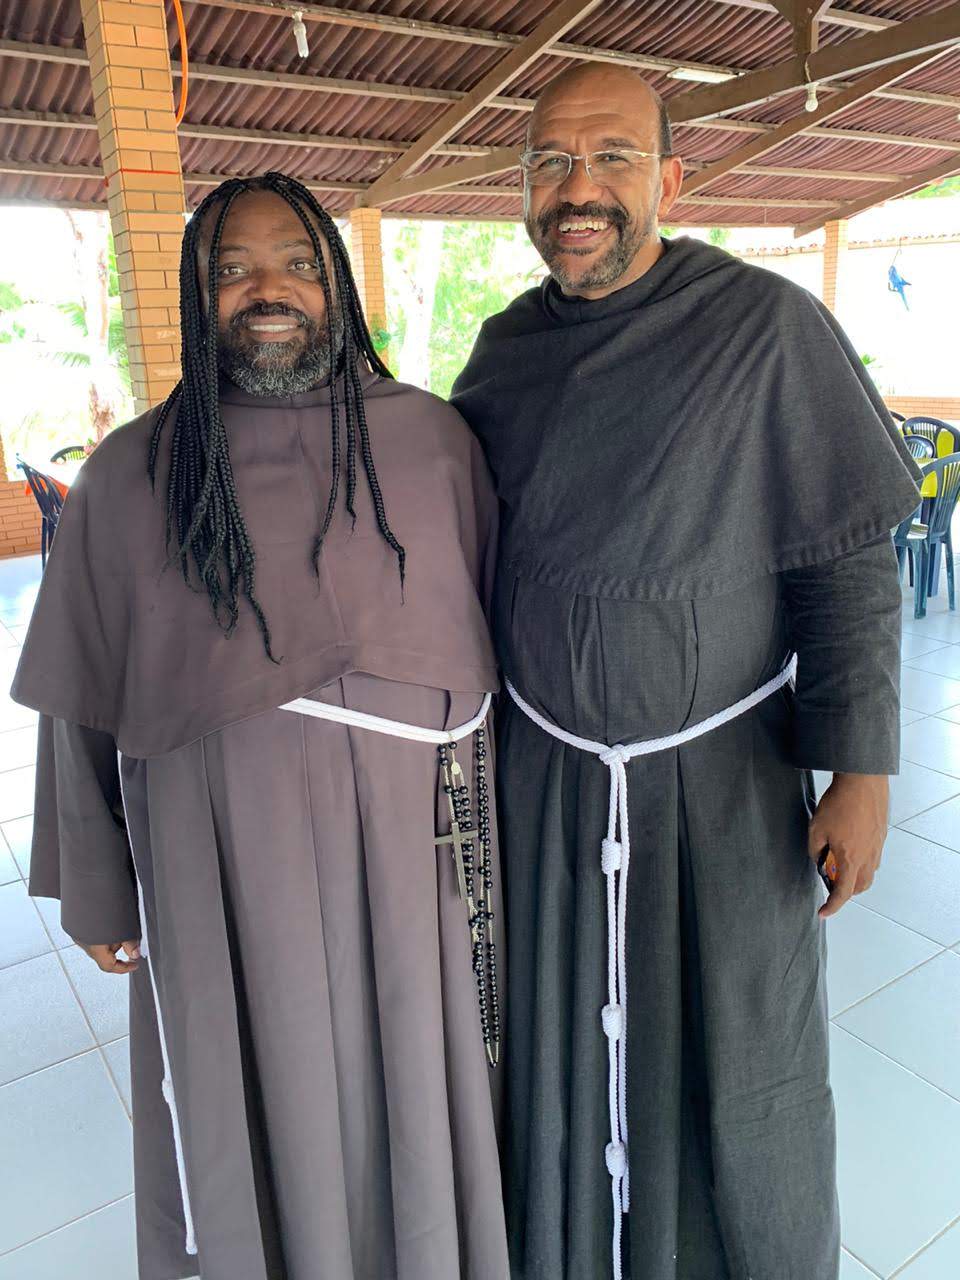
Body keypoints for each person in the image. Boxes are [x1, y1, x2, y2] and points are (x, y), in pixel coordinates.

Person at [451, 65, 921, 1280]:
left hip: (725, 791)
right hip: (550, 792)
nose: (579, 188)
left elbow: (846, 559)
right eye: (551, 162)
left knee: (740, 1068)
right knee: (559, 1060)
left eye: (611, 157)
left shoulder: (766, 329)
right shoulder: (500, 359)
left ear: (669, 178)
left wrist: (861, 769)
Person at [14, 172, 509, 1280]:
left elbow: (496, 656)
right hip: (220, 873)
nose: (266, 289)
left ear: (338, 282)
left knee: (414, 1108)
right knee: (251, 1106)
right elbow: (79, 705)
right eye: (230, 270)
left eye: (295, 262)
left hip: (413, 868)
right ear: (197, 299)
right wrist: (96, 883)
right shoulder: (135, 472)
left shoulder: (432, 445)